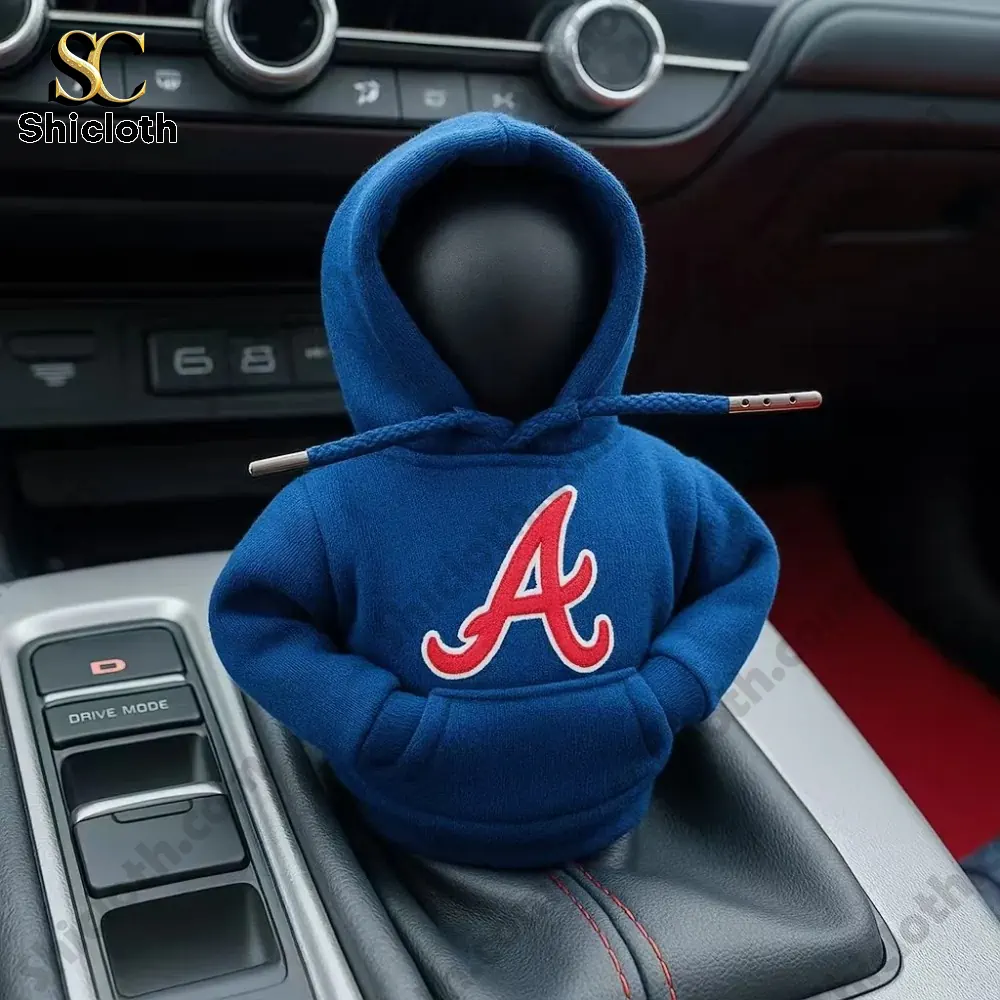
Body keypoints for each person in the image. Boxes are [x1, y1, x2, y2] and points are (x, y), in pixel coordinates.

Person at [208, 112, 782, 868]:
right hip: (406, 814)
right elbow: (253, 616)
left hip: (610, 798)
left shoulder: (660, 476)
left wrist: (670, 690)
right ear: (386, 315)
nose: (511, 311)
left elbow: (744, 566)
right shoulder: (339, 503)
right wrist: (375, 721)